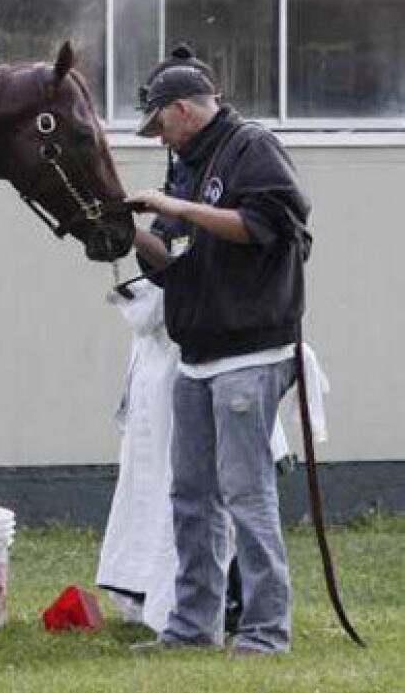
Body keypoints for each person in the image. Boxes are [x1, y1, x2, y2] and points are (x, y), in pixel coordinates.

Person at [126, 45, 312, 655]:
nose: (158, 139)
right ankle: (193, 627)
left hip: (251, 353)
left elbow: (267, 224)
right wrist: (122, 229)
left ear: (183, 109)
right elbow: (171, 261)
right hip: (197, 354)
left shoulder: (251, 148)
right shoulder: (187, 163)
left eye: (160, 126)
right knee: (191, 496)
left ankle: (264, 631)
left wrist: (178, 207)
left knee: (244, 492)